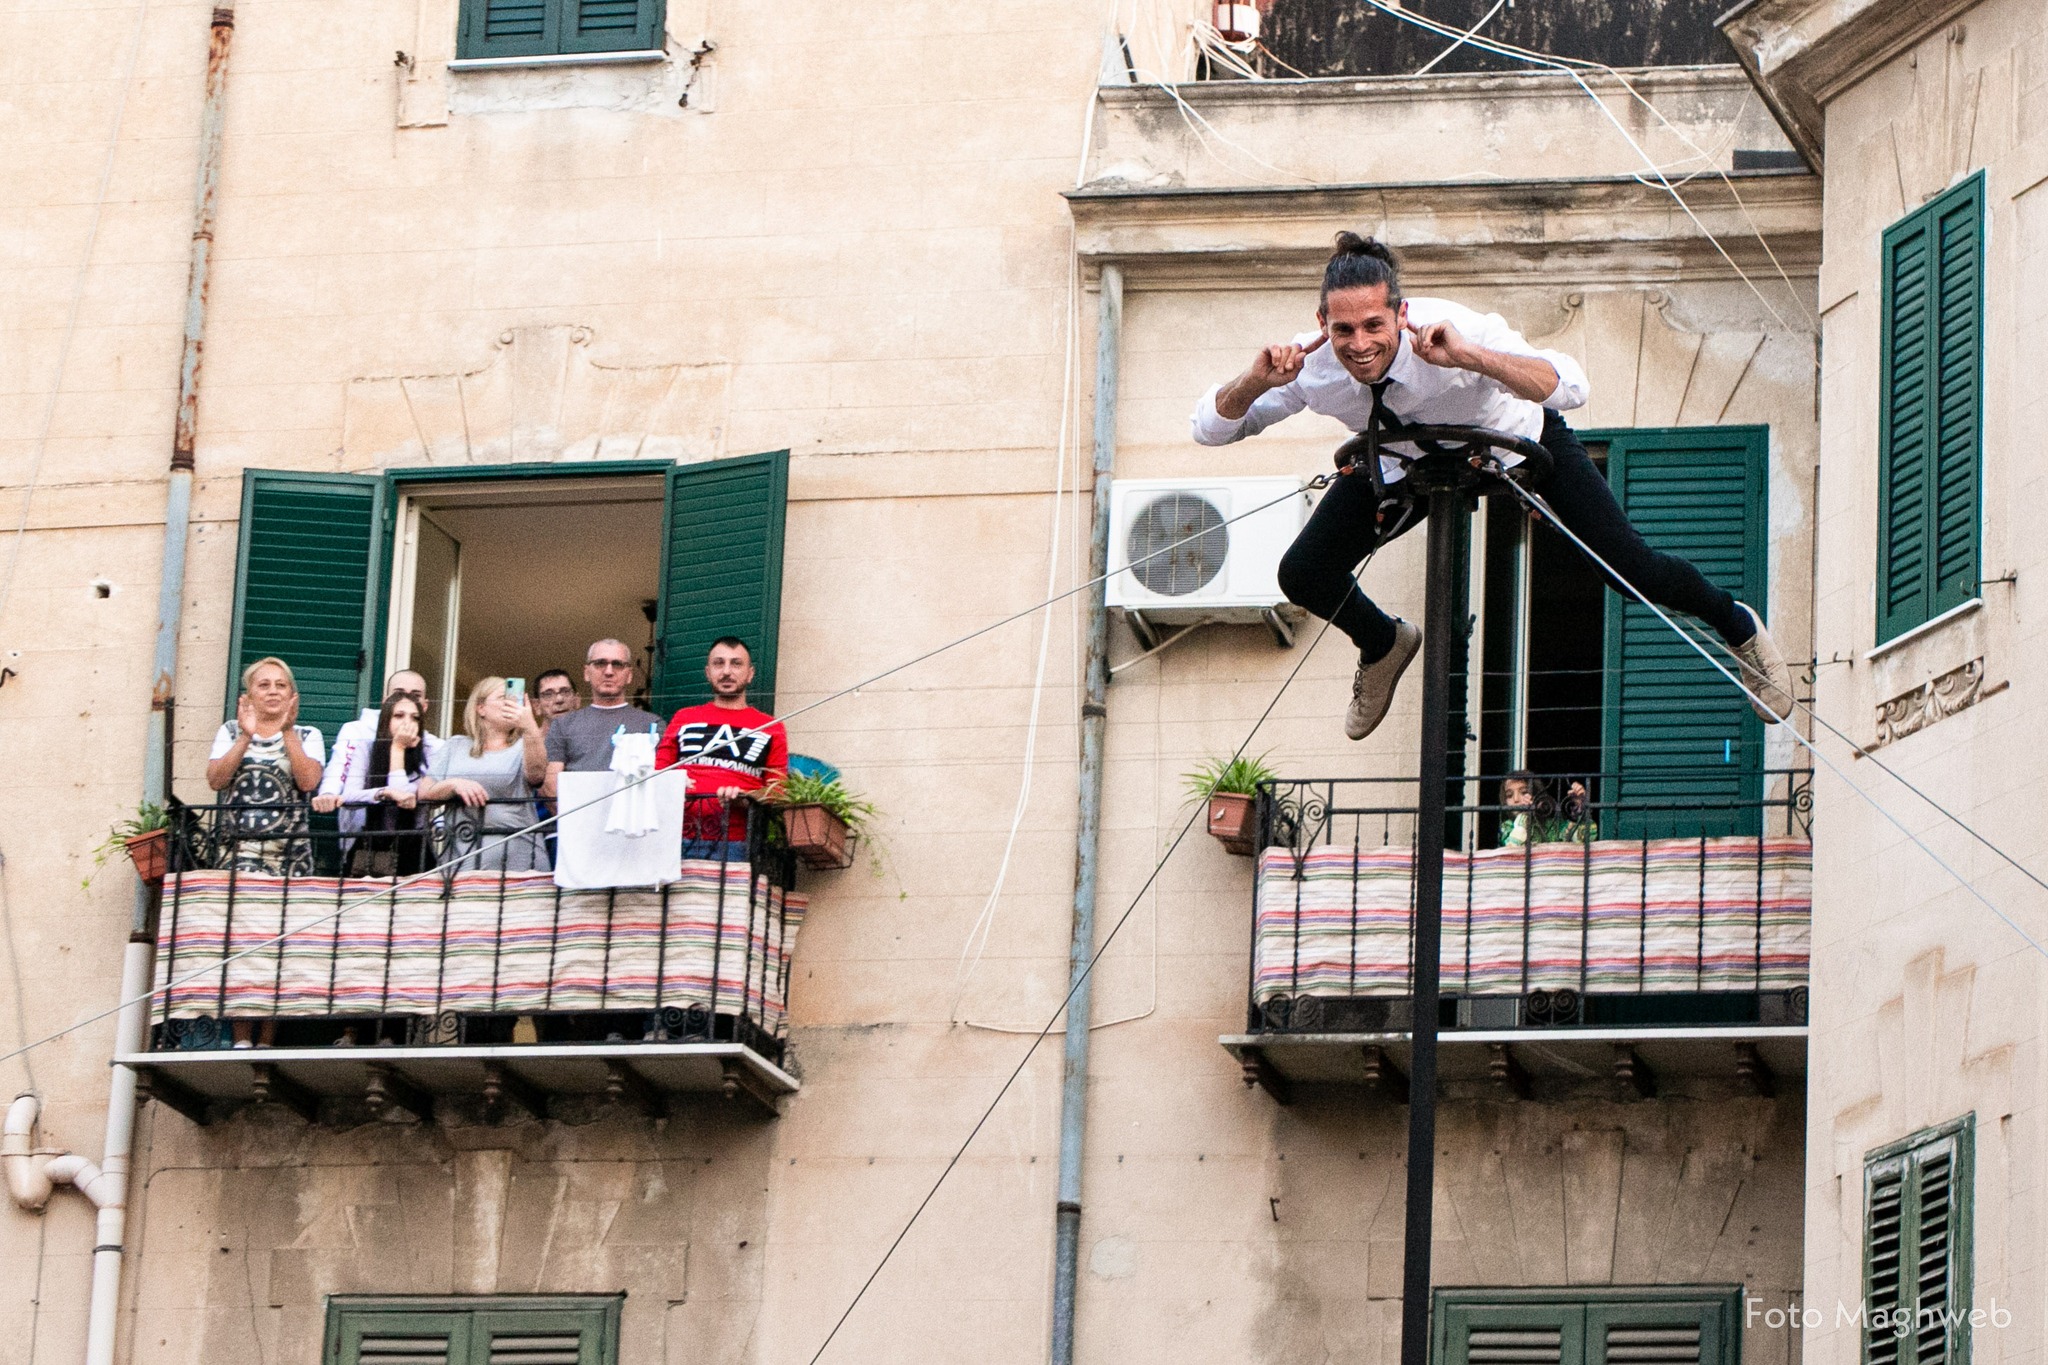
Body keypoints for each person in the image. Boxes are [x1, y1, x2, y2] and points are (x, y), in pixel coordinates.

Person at [1192, 232, 1794, 742]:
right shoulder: (1317, 363)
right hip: (1407, 467)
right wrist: (1253, 378)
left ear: (1400, 314)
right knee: (1302, 572)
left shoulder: (1456, 330)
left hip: (1519, 445)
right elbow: (1211, 429)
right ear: (1323, 322)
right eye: (1344, 329)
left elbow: (1569, 386)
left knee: (1628, 568)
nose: (1359, 344)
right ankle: (1384, 642)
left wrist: (1472, 359)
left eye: (1374, 324)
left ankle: (1736, 623)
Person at [655, 637, 788, 849]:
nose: (727, 671)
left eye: (736, 664)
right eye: (719, 663)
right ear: (708, 672)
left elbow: (777, 791)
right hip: (675, 839)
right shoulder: (684, 717)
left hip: (739, 845)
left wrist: (745, 798)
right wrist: (673, 783)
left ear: (750, 673)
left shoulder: (771, 726)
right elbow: (658, 773)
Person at [205, 656, 326, 876]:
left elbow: (308, 782)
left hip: (289, 858)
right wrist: (246, 736)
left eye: (281, 685)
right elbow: (216, 781)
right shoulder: (231, 732)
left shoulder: (308, 735)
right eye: (264, 685)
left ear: (292, 696)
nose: (273, 691)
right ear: (249, 697)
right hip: (235, 855)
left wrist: (287, 731)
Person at [420, 676, 551, 873]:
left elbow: (536, 776)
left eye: (512, 697)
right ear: (480, 708)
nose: (509, 702)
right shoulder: (455, 745)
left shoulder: (523, 745)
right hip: (462, 861)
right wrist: (454, 784)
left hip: (519, 861)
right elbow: (424, 794)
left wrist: (530, 726)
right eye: (501, 697)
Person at [311, 669, 444, 841]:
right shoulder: (358, 732)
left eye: (415, 695)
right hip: (361, 840)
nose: (407, 700)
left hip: (412, 844)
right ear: (386, 702)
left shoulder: (434, 747)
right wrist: (327, 793)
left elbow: (409, 797)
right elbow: (340, 769)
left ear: (424, 706)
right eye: (399, 694)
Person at [543, 640, 665, 797]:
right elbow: (552, 783)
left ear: (629, 675)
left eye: (617, 664)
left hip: (632, 817)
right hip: (578, 817)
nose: (609, 671)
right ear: (587, 672)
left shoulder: (652, 724)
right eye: (600, 663)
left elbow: (662, 780)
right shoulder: (562, 725)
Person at [339, 692, 431, 877]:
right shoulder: (366, 749)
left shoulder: (429, 754)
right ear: (385, 720)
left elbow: (404, 798)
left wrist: (398, 748)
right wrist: (383, 793)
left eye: (415, 718)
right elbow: (347, 798)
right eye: (399, 716)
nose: (407, 723)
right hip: (370, 851)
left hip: (412, 852)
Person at [1497, 772, 1593, 848]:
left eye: (1524, 792)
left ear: (1537, 795)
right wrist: (1524, 816)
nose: (1516, 799)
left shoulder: (1553, 825)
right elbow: (1512, 848)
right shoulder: (1507, 827)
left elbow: (1585, 839)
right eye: (1509, 795)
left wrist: (1580, 806)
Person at [533, 668, 579, 736]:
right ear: (537, 706)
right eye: (548, 694)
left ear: (577, 700)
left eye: (565, 692)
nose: (559, 699)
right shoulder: (521, 745)